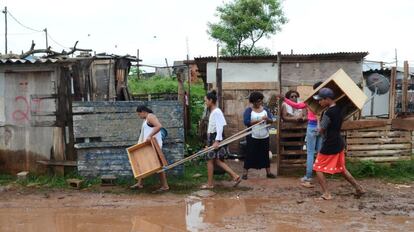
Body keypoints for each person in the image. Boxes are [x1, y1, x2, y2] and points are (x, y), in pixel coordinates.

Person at [312, 88, 365, 200]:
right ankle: (359, 188)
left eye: (321, 100)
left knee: (317, 168)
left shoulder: (328, 112)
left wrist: (317, 120)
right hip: (338, 142)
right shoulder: (339, 109)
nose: (319, 102)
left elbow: (321, 130)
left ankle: (327, 193)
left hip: (330, 143)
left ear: (327, 99)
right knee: (342, 169)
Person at [281, 82, 323, 186]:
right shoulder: (326, 100)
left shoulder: (311, 100)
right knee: (319, 152)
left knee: (310, 153)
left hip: (312, 126)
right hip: (322, 127)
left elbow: (297, 105)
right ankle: (321, 175)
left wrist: (284, 99)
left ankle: (308, 176)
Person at [201, 90, 241, 189]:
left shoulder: (217, 112)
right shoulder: (214, 111)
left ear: (210, 100)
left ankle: (210, 184)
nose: (205, 102)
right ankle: (235, 176)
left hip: (216, 138)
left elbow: (220, 127)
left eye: (206, 100)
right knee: (217, 161)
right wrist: (209, 142)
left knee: (210, 160)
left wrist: (216, 141)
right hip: (213, 137)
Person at [130, 105, 169, 193]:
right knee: (142, 163)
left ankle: (165, 186)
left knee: (159, 167)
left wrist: (150, 136)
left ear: (143, 111)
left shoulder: (150, 116)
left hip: (154, 145)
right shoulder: (146, 119)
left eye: (139, 114)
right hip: (148, 145)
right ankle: (139, 183)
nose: (139, 116)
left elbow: (159, 126)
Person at [242, 91, 276, 180]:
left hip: (264, 136)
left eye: (261, 101)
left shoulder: (265, 110)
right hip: (253, 136)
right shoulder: (249, 110)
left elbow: (271, 121)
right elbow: (246, 122)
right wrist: (259, 120)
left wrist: (267, 119)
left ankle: (268, 172)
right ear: (253, 102)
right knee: (250, 154)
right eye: (257, 101)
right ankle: (245, 173)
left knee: (265, 154)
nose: (260, 103)